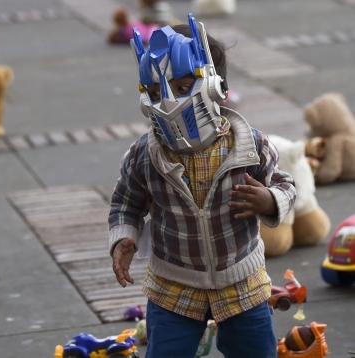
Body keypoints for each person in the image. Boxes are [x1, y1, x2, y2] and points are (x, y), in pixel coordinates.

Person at [108, 14, 296, 358]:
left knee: (256, 352)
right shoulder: (144, 155)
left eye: (182, 88)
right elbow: (126, 201)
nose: (168, 102)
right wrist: (124, 237)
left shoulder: (251, 145)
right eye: (154, 91)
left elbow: (286, 185)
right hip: (173, 286)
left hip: (242, 282)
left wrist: (269, 200)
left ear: (216, 88)